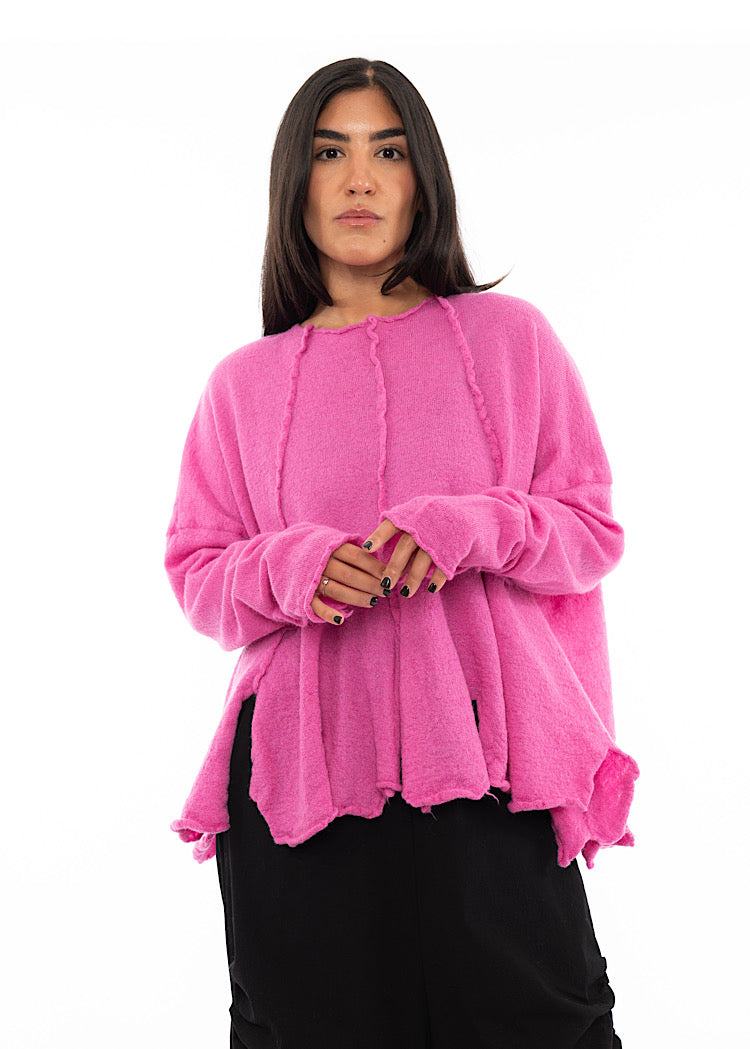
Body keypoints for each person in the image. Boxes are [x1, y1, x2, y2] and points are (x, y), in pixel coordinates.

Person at [165, 57, 639, 1049]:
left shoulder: (511, 339)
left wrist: (480, 523)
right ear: (294, 183)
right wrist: (289, 567)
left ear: (423, 177)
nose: (359, 180)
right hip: (298, 786)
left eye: (388, 152)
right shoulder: (243, 384)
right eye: (329, 153)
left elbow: (591, 531)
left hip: (488, 767)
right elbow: (198, 570)